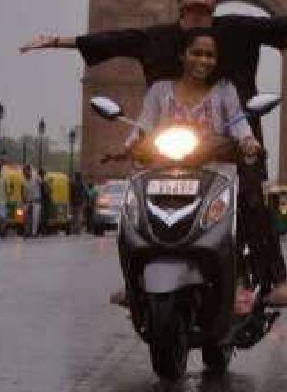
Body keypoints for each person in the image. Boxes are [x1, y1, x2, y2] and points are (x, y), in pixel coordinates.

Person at [21, 0, 287, 305]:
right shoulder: (156, 39)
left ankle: (272, 280)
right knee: (137, 203)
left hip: (233, 136)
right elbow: (110, 41)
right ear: (180, 1)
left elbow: (283, 23)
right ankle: (136, 279)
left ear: (215, 3)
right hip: (171, 139)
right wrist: (55, 42)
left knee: (250, 200)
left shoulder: (236, 29)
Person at [110, 28, 260, 310]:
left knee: (240, 218)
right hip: (163, 171)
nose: (203, 60)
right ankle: (132, 282)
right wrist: (128, 145)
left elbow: (238, 120)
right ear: (183, 55)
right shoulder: (159, 90)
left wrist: (249, 140)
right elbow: (144, 124)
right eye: (196, 53)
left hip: (215, 173)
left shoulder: (224, 89)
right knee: (129, 221)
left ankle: (238, 281)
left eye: (209, 55)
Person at [23, 165, 43, 238]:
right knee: (25, 216)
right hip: (28, 201)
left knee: (35, 218)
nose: (24, 173)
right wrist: (24, 201)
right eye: (23, 172)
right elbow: (24, 192)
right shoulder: (25, 181)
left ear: (29, 171)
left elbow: (42, 184)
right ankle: (27, 231)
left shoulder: (36, 178)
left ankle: (34, 233)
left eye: (25, 171)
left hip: (36, 201)